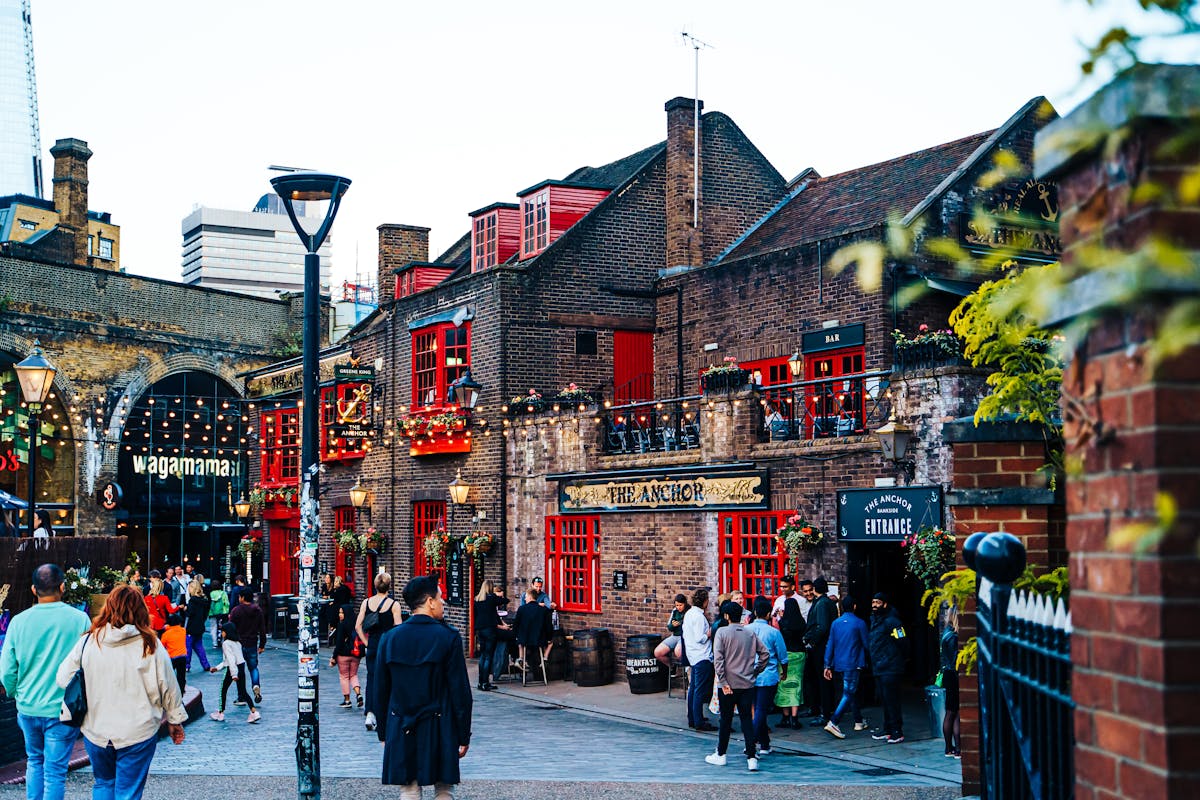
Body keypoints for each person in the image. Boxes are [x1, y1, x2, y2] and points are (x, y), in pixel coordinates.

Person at [55, 585, 186, 800]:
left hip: (96, 729)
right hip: (138, 730)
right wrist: (175, 720)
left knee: (104, 783)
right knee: (129, 792)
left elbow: (63, 678)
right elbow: (168, 686)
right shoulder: (150, 644)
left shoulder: (89, 641)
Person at [373, 576, 472, 800]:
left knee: (408, 788)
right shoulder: (448, 638)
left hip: (401, 721)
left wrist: (383, 731)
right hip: (441, 721)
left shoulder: (389, 639)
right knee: (444, 788)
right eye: (440, 598)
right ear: (429, 601)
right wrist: (463, 734)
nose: (443, 602)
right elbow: (460, 692)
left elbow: (379, 690)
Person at [0, 564, 90, 800]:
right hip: (63, 708)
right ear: (62, 587)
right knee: (55, 771)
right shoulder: (80, 620)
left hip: (28, 705)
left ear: (33, 589)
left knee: (34, 762)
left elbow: (7, 669)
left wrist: (15, 693)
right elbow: (90, 663)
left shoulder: (18, 622)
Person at [705, 601, 769, 772]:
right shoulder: (749, 633)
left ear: (726, 616)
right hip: (747, 683)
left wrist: (723, 682)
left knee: (725, 720)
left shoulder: (722, 633)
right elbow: (765, 654)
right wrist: (755, 672)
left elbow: (718, 660)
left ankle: (721, 754)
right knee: (746, 719)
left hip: (728, 684)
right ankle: (751, 757)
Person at [356, 571, 404, 732]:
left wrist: (367, 642)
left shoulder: (366, 603)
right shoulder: (394, 605)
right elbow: (398, 629)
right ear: (389, 586)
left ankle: (370, 712)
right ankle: (386, 712)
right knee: (389, 679)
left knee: (372, 677)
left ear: (375, 586)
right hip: (388, 645)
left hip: (374, 645)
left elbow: (358, 626)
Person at [822, 595, 869, 739]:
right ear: (854, 606)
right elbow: (867, 644)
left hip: (839, 663)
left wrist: (827, 664)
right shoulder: (859, 623)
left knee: (850, 692)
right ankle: (834, 721)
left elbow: (830, 644)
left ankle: (858, 721)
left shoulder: (836, 623)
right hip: (854, 662)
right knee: (849, 693)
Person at [746, 596, 787, 754]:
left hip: (748, 675)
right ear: (769, 614)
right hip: (768, 675)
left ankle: (765, 744)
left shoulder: (746, 630)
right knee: (762, 710)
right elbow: (782, 656)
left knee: (757, 708)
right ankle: (752, 742)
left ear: (755, 612)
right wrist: (785, 671)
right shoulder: (773, 633)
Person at [869, 592, 909, 744]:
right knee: (885, 700)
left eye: (878, 602)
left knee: (892, 700)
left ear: (885, 604)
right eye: (873, 602)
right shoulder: (875, 620)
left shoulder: (893, 622)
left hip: (891, 667)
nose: (874, 605)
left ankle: (897, 731)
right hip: (879, 666)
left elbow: (903, 641)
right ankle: (888, 729)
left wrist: (898, 658)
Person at [209, 621, 259, 723]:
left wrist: (233, 674)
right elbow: (230, 660)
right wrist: (217, 668)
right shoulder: (238, 643)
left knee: (223, 690)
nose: (222, 633)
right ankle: (254, 712)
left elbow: (231, 660)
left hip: (232, 669)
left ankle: (220, 712)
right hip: (241, 667)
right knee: (243, 691)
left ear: (226, 632)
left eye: (222, 631)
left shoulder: (226, 643)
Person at [803, 577, 837, 725]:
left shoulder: (822, 603)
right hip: (823, 646)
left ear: (815, 589)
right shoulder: (826, 602)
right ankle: (818, 708)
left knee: (823, 681)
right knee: (818, 679)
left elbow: (822, 627)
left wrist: (811, 641)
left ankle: (825, 713)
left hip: (820, 647)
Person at [682, 588, 715, 732]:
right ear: (705, 601)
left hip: (693, 655)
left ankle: (693, 718)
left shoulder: (689, 614)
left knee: (694, 689)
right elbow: (699, 638)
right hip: (702, 656)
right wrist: (709, 634)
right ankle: (699, 721)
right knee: (699, 691)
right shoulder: (699, 617)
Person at [774, 590, 806, 729]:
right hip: (799, 655)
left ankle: (785, 717)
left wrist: (780, 618)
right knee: (796, 685)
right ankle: (795, 718)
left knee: (783, 685)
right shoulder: (801, 623)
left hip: (786, 655)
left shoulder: (783, 623)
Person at [229, 590, 266, 703]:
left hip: (238, 644)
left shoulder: (236, 611)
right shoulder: (257, 610)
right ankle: (255, 685)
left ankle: (241, 696)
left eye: (240, 596)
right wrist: (262, 645)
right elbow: (262, 629)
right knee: (253, 668)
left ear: (243, 597)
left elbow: (231, 627)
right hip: (252, 642)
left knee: (240, 670)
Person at [471, 580, 505, 691]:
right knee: (488, 656)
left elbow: (475, 615)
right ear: (490, 588)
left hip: (480, 629)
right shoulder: (491, 598)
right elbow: (505, 600)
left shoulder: (477, 599)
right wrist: (497, 595)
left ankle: (481, 682)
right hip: (490, 630)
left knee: (482, 656)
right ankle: (485, 682)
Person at [329, 604, 364, 709]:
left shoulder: (342, 625)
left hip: (343, 654)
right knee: (353, 675)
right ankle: (358, 694)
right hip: (356, 654)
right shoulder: (357, 624)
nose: (340, 615)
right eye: (339, 612)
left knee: (344, 676)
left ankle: (347, 700)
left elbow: (339, 643)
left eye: (342, 612)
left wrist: (334, 657)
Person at [512, 588, 553, 675]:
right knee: (550, 643)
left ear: (530, 597)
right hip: (539, 640)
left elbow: (516, 625)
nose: (525, 599)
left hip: (524, 640)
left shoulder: (521, 609)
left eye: (526, 597)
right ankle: (544, 659)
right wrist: (549, 638)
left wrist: (514, 636)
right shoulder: (543, 610)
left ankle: (521, 659)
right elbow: (549, 626)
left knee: (520, 642)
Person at [940, 604, 961, 758]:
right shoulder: (953, 636)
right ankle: (957, 749)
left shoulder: (946, 633)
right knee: (955, 712)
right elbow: (955, 660)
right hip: (954, 675)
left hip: (947, 673)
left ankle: (950, 748)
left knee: (951, 712)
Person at [184, 579, 215, 673]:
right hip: (200, 626)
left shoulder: (192, 601)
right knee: (199, 647)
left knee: (188, 647)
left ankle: (186, 665)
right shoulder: (204, 601)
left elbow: (189, 614)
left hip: (191, 627)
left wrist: (186, 609)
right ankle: (206, 665)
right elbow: (205, 614)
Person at [653, 594, 688, 668]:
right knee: (657, 652)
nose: (678, 607)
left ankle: (687, 669)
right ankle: (672, 667)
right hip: (675, 636)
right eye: (677, 605)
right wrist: (673, 626)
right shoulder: (675, 611)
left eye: (680, 605)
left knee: (678, 652)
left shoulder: (689, 611)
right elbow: (669, 626)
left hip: (685, 636)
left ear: (685, 603)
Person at [160, 613, 188, 693]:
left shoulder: (166, 634)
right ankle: (181, 690)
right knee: (181, 676)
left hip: (172, 657)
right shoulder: (183, 631)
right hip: (183, 656)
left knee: (169, 675)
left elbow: (162, 646)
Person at [207, 581, 230, 648]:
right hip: (223, 612)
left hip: (212, 613)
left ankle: (215, 643)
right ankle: (222, 641)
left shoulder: (210, 594)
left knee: (213, 627)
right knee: (223, 627)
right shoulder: (223, 593)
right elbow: (227, 603)